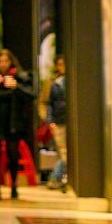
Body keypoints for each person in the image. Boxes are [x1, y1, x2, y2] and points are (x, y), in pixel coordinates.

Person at [0, 49, 36, 200]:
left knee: (13, 154)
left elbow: (32, 95)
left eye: (6, 61)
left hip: (13, 121)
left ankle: (14, 185)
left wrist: (16, 86)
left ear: (11, 62)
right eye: (0, 61)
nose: (3, 64)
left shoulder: (20, 77)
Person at [45, 56, 69, 190]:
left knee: (65, 153)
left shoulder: (70, 81)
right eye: (59, 64)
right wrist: (49, 120)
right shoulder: (54, 83)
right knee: (63, 152)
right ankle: (56, 177)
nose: (61, 67)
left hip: (69, 121)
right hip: (58, 121)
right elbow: (48, 103)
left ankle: (57, 177)